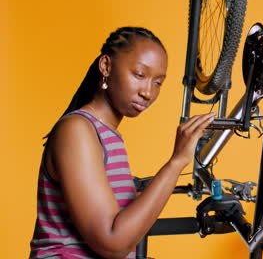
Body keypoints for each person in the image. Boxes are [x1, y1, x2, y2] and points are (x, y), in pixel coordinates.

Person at [29, 26, 215, 259]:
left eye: (158, 82)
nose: (148, 92)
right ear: (106, 66)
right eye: (139, 75)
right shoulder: (77, 131)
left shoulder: (106, 135)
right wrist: (177, 162)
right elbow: (112, 242)